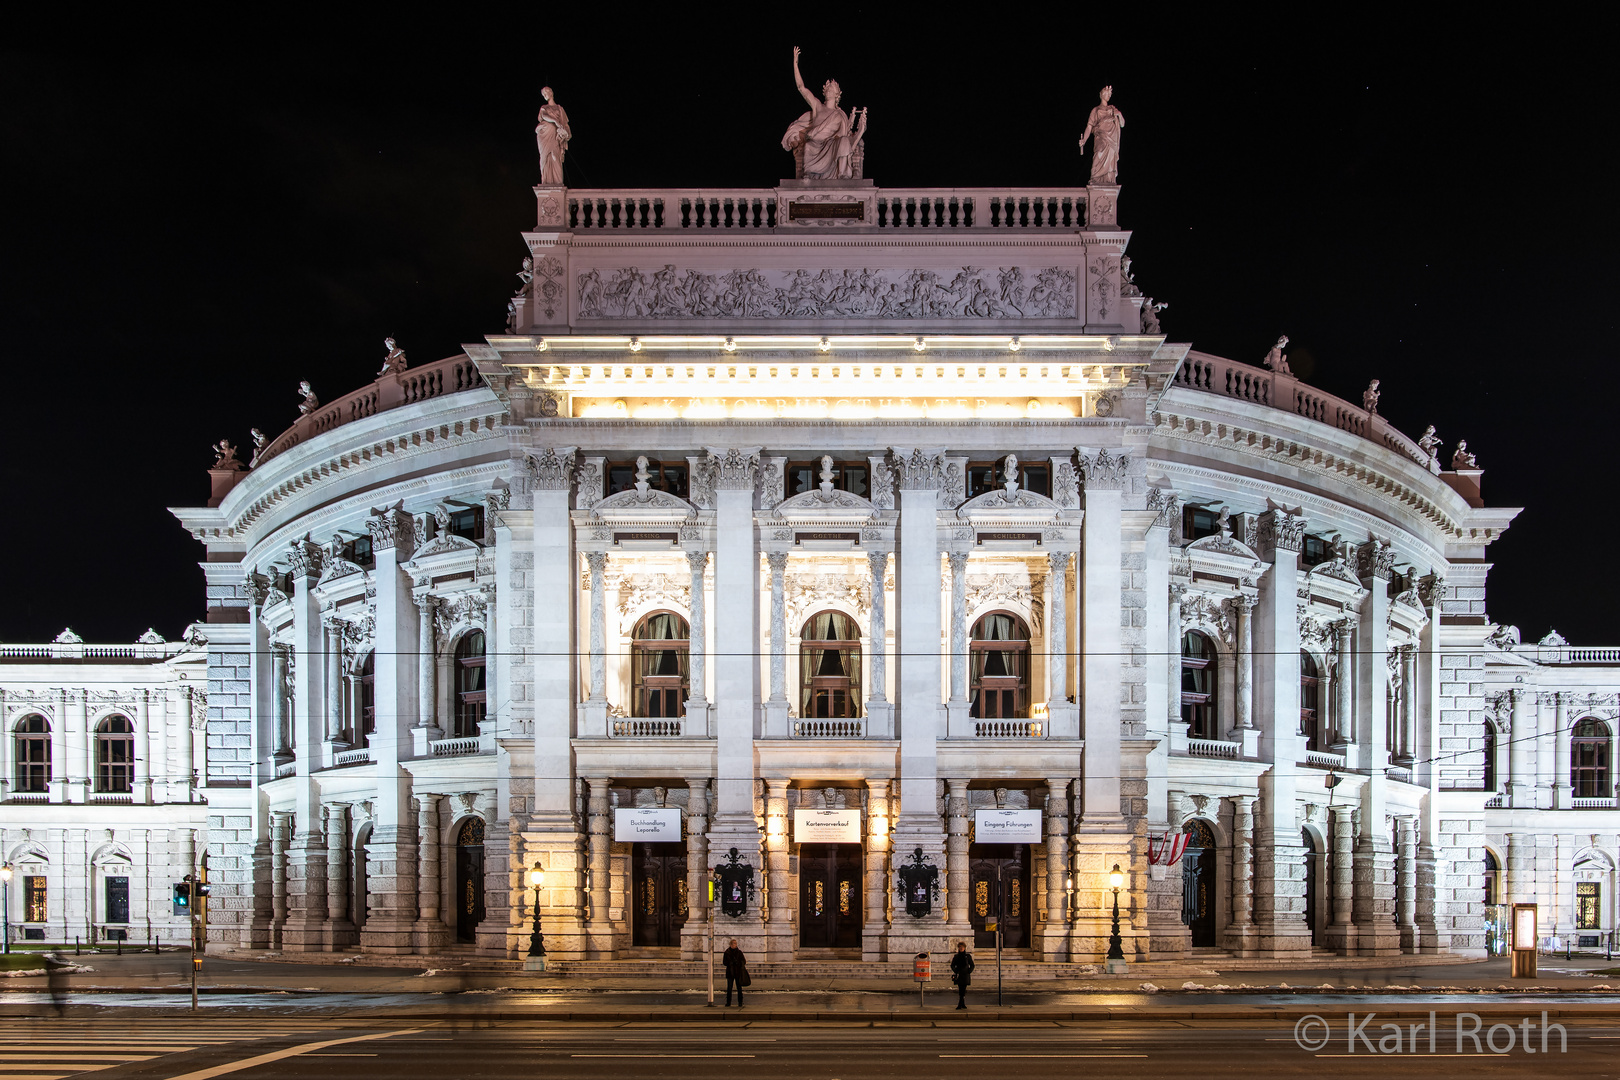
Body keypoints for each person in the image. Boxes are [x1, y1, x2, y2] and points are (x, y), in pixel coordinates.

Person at [782, 46, 867, 180]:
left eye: (831, 89)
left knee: (844, 141)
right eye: (827, 88)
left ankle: (843, 175)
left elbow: (848, 139)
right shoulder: (817, 106)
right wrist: (795, 64)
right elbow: (801, 88)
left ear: (837, 94)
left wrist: (861, 131)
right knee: (809, 144)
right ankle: (809, 173)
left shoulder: (839, 115)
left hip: (832, 146)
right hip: (816, 144)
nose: (828, 90)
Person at [1077, 86, 1125, 185]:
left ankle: (1108, 180)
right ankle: (1095, 179)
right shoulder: (1096, 110)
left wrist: (1119, 114)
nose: (1108, 96)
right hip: (1101, 137)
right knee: (1098, 155)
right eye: (1107, 94)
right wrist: (1084, 140)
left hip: (1111, 139)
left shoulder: (1112, 109)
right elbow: (1089, 127)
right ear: (1101, 94)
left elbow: (1122, 124)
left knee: (1110, 160)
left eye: (1110, 94)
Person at [535, 86, 571, 186]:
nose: (545, 95)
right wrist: (555, 121)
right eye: (543, 94)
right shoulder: (544, 108)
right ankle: (546, 181)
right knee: (545, 158)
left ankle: (557, 183)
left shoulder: (560, 109)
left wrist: (565, 132)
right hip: (544, 135)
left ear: (551, 92)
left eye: (546, 93)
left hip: (555, 137)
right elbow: (545, 116)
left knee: (556, 157)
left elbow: (565, 124)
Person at [949, 941, 974, 1010]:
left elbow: (972, 965)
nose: (961, 948)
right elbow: (952, 965)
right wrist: (955, 971)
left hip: (965, 974)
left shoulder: (967, 956)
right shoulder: (956, 956)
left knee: (963, 989)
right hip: (959, 974)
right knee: (961, 989)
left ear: (964, 948)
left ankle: (960, 1004)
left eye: (962, 947)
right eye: (960, 947)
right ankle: (962, 1004)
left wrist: (969, 971)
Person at [722, 938, 747, 1008]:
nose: (734, 945)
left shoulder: (739, 952)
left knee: (739, 988)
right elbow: (724, 962)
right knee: (729, 988)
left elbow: (744, 961)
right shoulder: (727, 952)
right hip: (730, 972)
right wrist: (730, 963)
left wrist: (738, 963)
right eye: (733, 943)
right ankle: (728, 1002)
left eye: (735, 943)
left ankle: (740, 1002)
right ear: (730, 944)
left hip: (738, 972)